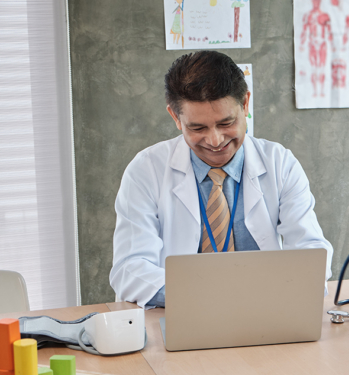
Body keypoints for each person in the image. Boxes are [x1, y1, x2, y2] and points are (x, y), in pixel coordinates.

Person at [110, 51, 334, 308]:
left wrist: (277, 290)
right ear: (175, 117)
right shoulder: (146, 170)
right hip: (183, 310)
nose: (215, 141)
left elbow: (312, 252)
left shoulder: (280, 163)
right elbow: (130, 270)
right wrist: (212, 297)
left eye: (226, 122)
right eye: (197, 128)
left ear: (245, 104)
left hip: (266, 309)